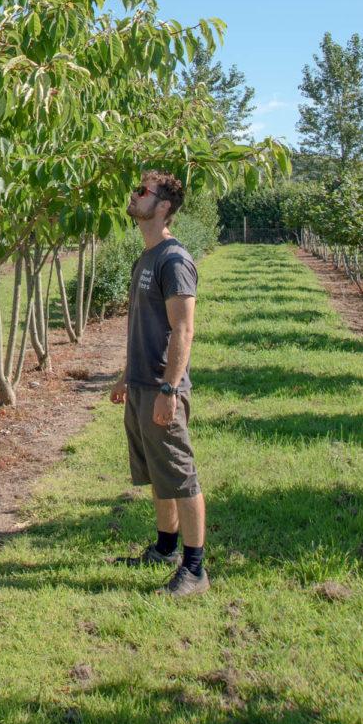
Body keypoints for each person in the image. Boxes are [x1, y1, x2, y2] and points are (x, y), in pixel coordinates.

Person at [109, 170, 209, 598]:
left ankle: (195, 569)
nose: (134, 195)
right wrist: (125, 375)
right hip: (141, 384)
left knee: (180, 476)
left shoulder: (174, 260)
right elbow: (144, 325)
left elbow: (183, 329)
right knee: (158, 472)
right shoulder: (146, 257)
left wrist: (168, 390)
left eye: (142, 191)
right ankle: (166, 548)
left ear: (163, 206)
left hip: (162, 387)